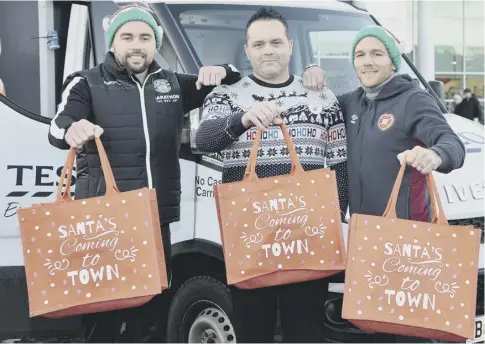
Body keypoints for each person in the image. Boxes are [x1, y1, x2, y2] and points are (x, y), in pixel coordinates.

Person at [47, 3, 240, 343]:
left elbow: (236, 75)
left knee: (150, 314)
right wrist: (72, 129)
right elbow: (58, 125)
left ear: (156, 44)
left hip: (154, 219)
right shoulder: (86, 83)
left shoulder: (172, 85)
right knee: (103, 317)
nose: (137, 44)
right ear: (112, 43)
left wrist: (221, 70)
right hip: (104, 223)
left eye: (145, 37)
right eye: (127, 37)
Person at [195, 7, 348, 343]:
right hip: (251, 239)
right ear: (247, 50)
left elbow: (340, 165)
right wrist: (242, 119)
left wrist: (333, 221)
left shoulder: (322, 97)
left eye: (276, 42)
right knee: (253, 331)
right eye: (260, 44)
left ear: (290, 46)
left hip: (307, 238)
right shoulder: (226, 95)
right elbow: (203, 139)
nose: (268, 50)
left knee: (306, 332)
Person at [303, 25, 465, 224]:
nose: (367, 62)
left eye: (377, 54)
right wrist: (311, 70)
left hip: (405, 231)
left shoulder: (413, 100)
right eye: (360, 55)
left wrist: (436, 154)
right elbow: (307, 110)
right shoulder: (350, 103)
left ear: (394, 63)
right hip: (362, 231)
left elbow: (453, 144)